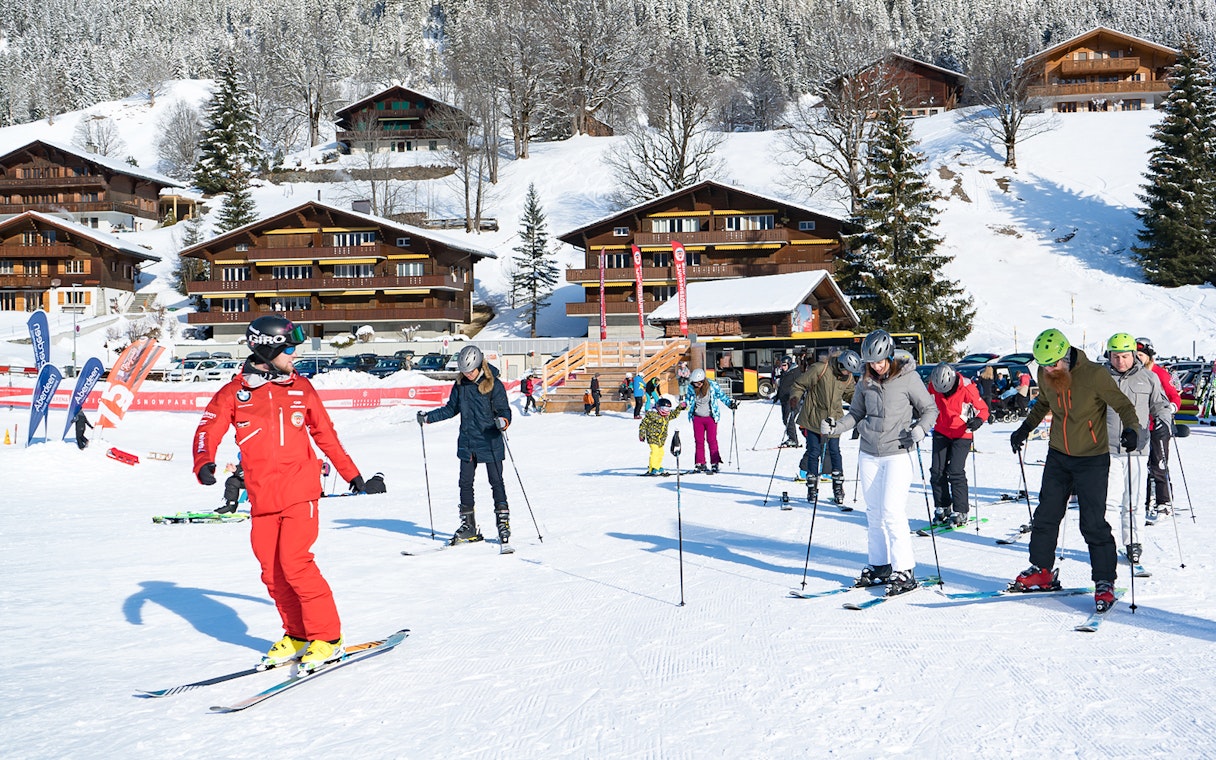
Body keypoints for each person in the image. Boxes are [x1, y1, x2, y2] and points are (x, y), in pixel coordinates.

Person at [193, 315, 368, 673]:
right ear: (266, 348)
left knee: (295, 563)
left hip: (300, 491)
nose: (294, 355)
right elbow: (207, 428)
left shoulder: (302, 389)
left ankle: (328, 637)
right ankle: (299, 635)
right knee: (271, 572)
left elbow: (326, 436)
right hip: (261, 496)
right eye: (288, 348)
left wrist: (353, 476)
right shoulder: (235, 393)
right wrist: (203, 462)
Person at [1009, 328, 1140, 613]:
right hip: (1058, 455)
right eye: (1043, 366)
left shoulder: (1094, 375)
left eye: (1053, 364)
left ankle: (1104, 580)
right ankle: (1042, 569)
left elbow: (1123, 404)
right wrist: (1025, 428)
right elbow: (1043, 403)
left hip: (1091, 458)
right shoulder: (1047, 374)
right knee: (1046, 515)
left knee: (1092, 523)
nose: (1048, 370)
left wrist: (1133, 429)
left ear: (1066, 356)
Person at [820, 330, 937, 595]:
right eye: (871, 362)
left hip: (898, 451)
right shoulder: (865, 382)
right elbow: (857, 413)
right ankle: (880, 566)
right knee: (873, 514)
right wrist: (836, 427)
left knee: (892, 512)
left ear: (890, 355)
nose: (876, 366)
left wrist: (920, 430)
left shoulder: (908, 378)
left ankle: (905, 570)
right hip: (869, 452)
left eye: (880, 360)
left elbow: (930, 409)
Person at [417, 344, 513, 548]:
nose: (468, 374)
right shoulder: (460, 385)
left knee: (496, 482)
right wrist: (428, 418)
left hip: (490, 441)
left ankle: (502, 523)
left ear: (479, 365)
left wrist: (502, 421)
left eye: (471, 370)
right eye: (464, 371)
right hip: (468, 443)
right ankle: (469, 526)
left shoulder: (494, 385)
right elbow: (451, 409)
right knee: (465, 484)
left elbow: (505, 411)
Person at [1102, 333, 1171, 567]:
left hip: (1137, 449)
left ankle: (1134, 543)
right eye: (1115, 356)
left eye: (1124, 356)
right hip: (1106, 448)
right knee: (1109, 501)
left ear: (1133, 355)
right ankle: (1107, 545)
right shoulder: (1100, 378)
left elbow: (1160, 404)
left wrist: (1164, 420)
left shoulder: (1149, 378)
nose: (1119, 361)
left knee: (1134, 500)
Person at [790, 348, 860, 505]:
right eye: (845, 370)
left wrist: (862, 403)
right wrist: (795, 397)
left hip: (833, 420)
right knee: (814, 451)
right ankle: (812, 487)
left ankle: (838, 487)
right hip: (813, 417)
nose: (846, 374)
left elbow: (850, 395)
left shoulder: (848, 378)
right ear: (840, 363)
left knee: (835, 451)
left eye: (850, 372)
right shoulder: (820, 369)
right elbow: (799, 384)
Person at [926, 362, 990, 528]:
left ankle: (961, 510)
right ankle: (943, 507)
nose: (944, 393)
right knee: (936, 471)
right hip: (941, 431)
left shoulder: (967, 387)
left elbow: (983, 410)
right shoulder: (933, 386)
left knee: (955, 471)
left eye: (946, 390)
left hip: (962, 432)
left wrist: (978, 421)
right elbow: (925, 404)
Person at [1135, 337, 1180, 523]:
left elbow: (1174, 397)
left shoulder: (1159, 373)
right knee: (1142, 465)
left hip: (1159, 425)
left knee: (1158, 464)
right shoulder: (1134, 374)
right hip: (1141, 425)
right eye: (1135, 355)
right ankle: (1146, 500)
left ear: (1149, 356)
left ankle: (1164, 502)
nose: (1138, 358)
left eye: (1141, 355)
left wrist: (1168, 410)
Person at [683, 367, 737, 474]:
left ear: (703, 381)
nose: (696, 386)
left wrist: (730, 403)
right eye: (694, 384)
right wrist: (684, 405)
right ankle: (700, 463)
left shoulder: (712, 386)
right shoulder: (691, 388)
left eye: (698, 384)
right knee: (699, 441)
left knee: (711, 440)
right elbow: (688, 400)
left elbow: (722, 396)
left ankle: (715, 463)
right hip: (697, 417)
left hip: (711, 417)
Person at [638, 396, 676, 475]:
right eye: (664, 409)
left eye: (668, 409)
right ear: (658, 407)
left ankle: (658, 466)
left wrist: (680, 408)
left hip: (661, 439)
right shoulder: (652, 415)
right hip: (652, 437)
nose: (666, 411)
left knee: (661, 452)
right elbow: (643, 425)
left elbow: (674, 414)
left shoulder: (666, 416)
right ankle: (653, 468)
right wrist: (641, 434)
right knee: (654, 452)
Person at [776, 355, 802, 448]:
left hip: (792, 400)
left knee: (789, 419)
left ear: (789, 364)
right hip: (784, 400)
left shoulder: (796, 373)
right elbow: (782, 386)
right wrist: (777, 396)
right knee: (785, 419)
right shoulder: (784, 373)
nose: (782, 367)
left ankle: (793, 440)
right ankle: (791, 438)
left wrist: (795, 397)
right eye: (781, 365)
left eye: (784, 365)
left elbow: (800, 386)